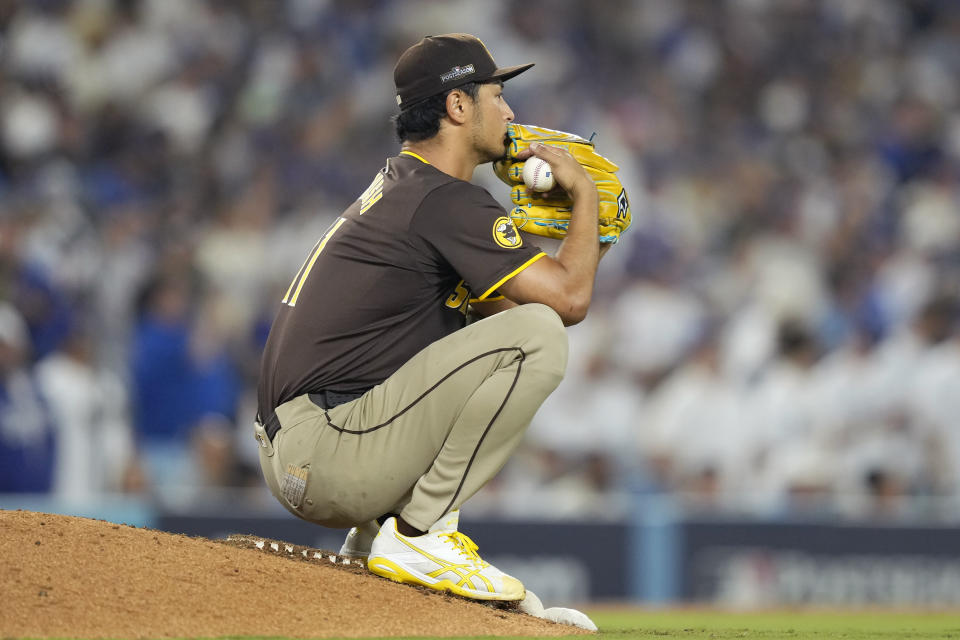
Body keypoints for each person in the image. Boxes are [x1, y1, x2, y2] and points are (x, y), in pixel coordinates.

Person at [254, 33, 603, 602]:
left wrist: (585, 244)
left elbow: (510, 314)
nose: (510, 111)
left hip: (305, 448)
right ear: (458, 105)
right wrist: (584, 199)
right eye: (497, 94)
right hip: (327, 450)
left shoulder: (409, 188)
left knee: (514, 333)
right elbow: (565, 307)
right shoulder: (444, 199)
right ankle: (422, 532)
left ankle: (377, 542)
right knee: (538, 339)